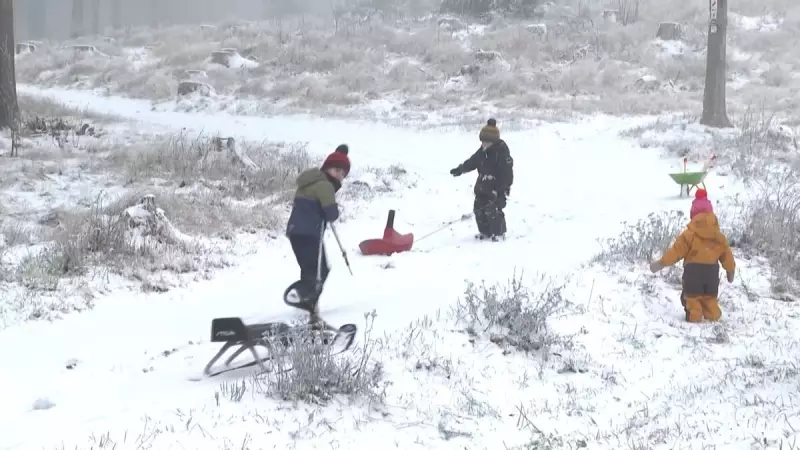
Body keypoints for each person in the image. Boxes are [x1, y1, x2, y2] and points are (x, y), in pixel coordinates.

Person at [649, 189, 736, 323]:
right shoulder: (719, 237)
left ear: (694, 215)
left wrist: (661, 263)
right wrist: (730, 271)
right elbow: (727, 256)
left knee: (692, 297)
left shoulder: (689, 235)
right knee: (709, 298)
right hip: (711, 274)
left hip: (693, 273)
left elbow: (676, 251)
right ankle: (713, 314)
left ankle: (694, 317)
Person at [285, 149, 351, 323]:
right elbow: (331, 213)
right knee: (320, 271)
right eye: (337, 170)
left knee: (310, 270)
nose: (340, 175)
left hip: (295, 232)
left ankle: (309, 305)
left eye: (343, 173)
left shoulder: (309, 183)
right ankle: (299, 295)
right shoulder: (325, 185)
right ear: (327, 168)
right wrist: (330, 208)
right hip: (310, 233)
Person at [449, 118, 514, 241]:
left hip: (496, 188)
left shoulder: (501, 153)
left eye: (487, 142)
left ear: (494, 141)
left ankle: (499, 233)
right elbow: (472, 162)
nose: (484, 144)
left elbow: (507, 174)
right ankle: (485, 232)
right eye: (482, 141)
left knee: (493, 210)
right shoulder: (482, 152)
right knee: (478, 209)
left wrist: (503, 191)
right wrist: (460, 169)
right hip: (482, 186)